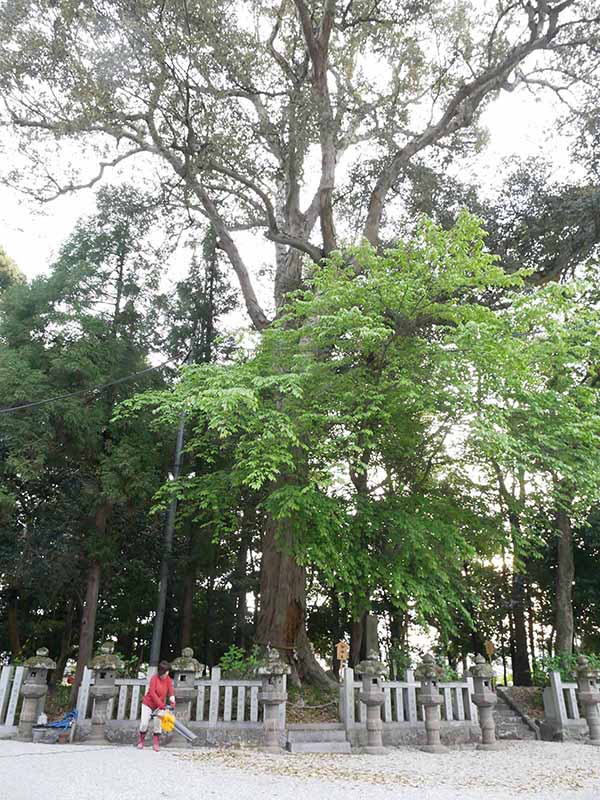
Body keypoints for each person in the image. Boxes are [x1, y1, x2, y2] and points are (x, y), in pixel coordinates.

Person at [138, 660, 175, 751]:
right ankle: (141, 741)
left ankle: (156, 743)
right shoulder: (154, 678)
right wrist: (160, 704)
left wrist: (172, 701)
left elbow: (171, 692)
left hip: (160, 706)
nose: (167, 673)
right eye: (166, 671)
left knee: (157, 724)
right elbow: (152, 693)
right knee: (144, 723)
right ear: (162, 672)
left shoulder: (168, 680)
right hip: (148, 704)